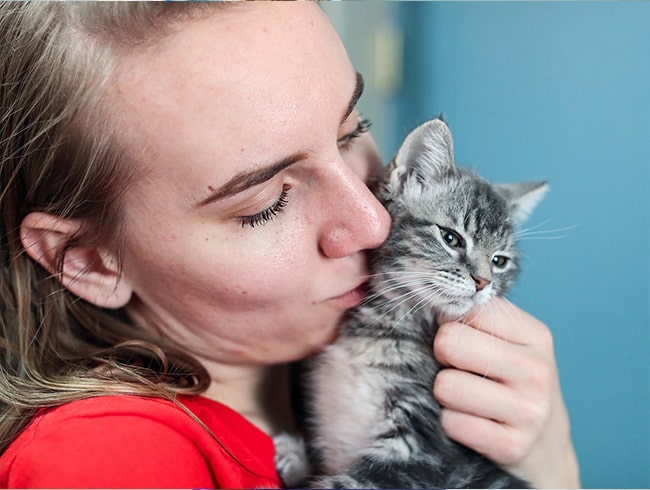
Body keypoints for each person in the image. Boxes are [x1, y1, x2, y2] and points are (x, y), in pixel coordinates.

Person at [0, 2, 580, 488]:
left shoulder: (331, 373)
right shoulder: (103, 460)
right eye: (267, 202)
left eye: (353, 130)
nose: (374, 221)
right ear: (89, 260)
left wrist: (547, 460)